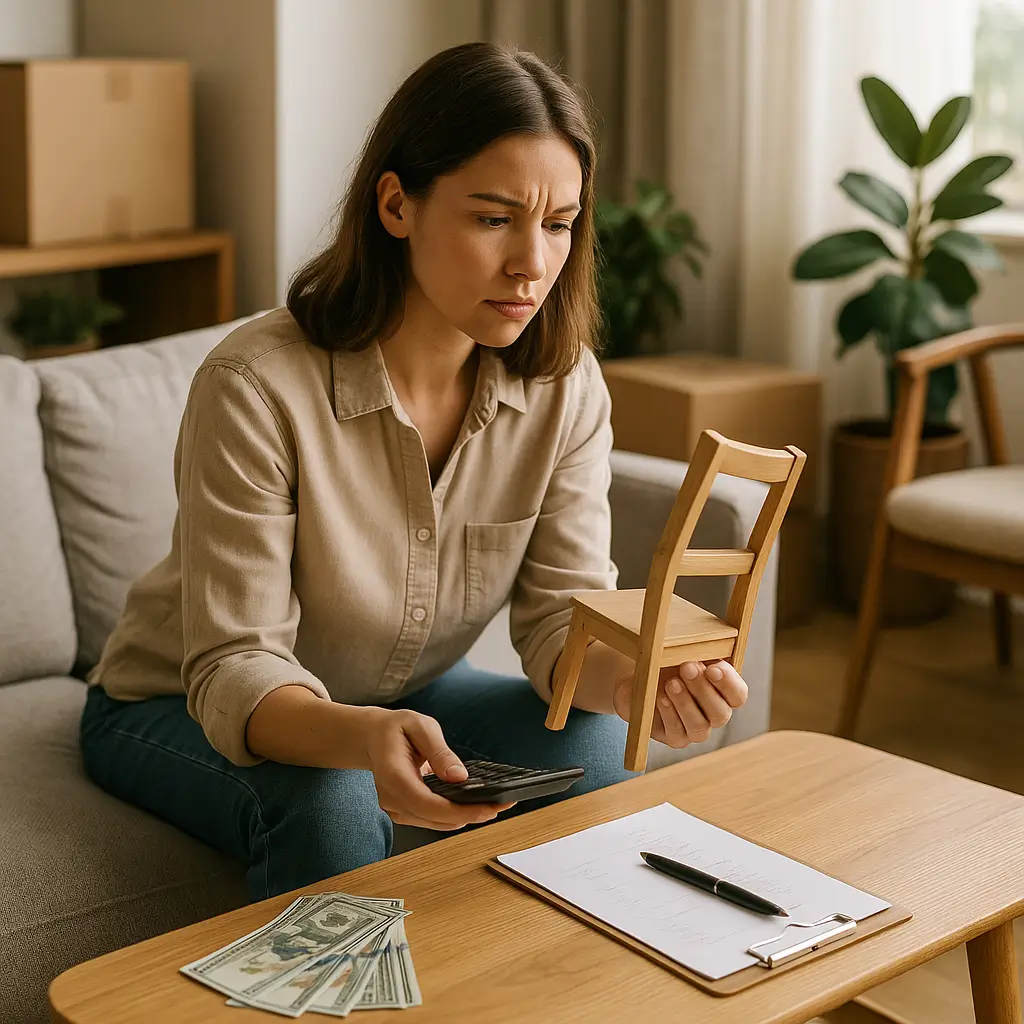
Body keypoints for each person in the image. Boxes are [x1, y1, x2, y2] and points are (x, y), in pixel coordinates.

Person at [79, 42, 749, 901]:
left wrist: (641, 683)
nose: (533, 265)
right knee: (333, 798)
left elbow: (557, 624)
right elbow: (236, 664)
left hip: (410, 691)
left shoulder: (564, 384)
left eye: (558, 223)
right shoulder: (254, 386)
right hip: (172, 703)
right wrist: (360, 739)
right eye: (493, 218)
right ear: (397, 204)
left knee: (593, 749)